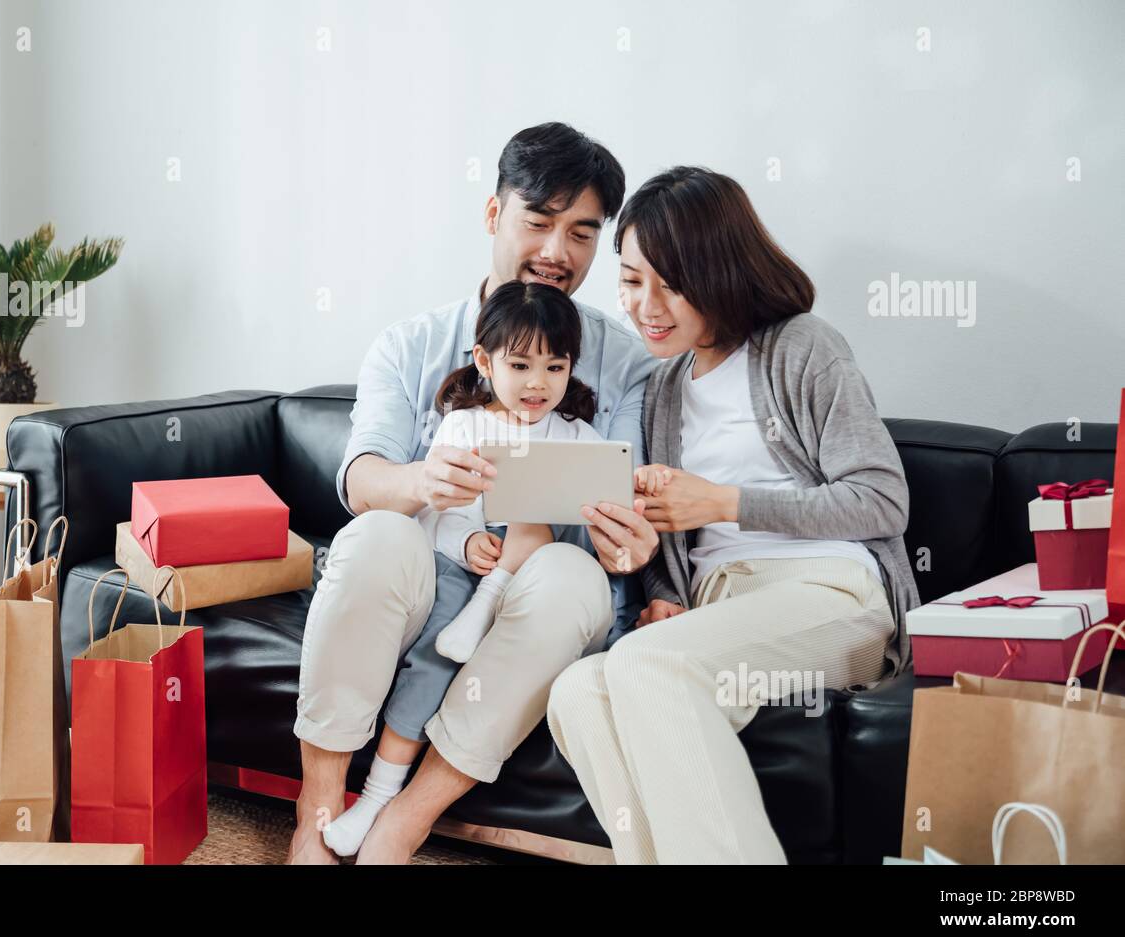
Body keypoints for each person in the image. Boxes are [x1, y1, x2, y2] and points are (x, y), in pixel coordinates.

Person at [289, 122, 659, 864]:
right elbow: (362, 477)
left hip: (544, 587)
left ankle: (404, 819)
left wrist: (632, 545)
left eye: (583, 234)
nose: (558, 253)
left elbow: (623, 504)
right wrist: (423, 482)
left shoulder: (625, 363)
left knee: (565, 572)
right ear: (495, 216)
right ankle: (319, 807)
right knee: (376, 533)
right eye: (539, 221)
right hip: (438, 575)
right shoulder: (410, 345)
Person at [547, 166, 921, 864]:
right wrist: (655, 586)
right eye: (630, 280)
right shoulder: (660, 386)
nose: (645, 305)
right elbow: (669, 541)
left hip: (829, 594)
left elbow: (881, 499)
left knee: (649, 670)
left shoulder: (801, 347)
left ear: (720, 272)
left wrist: (723, 503)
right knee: (575, 690)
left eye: (671, 282)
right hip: (719, 610)